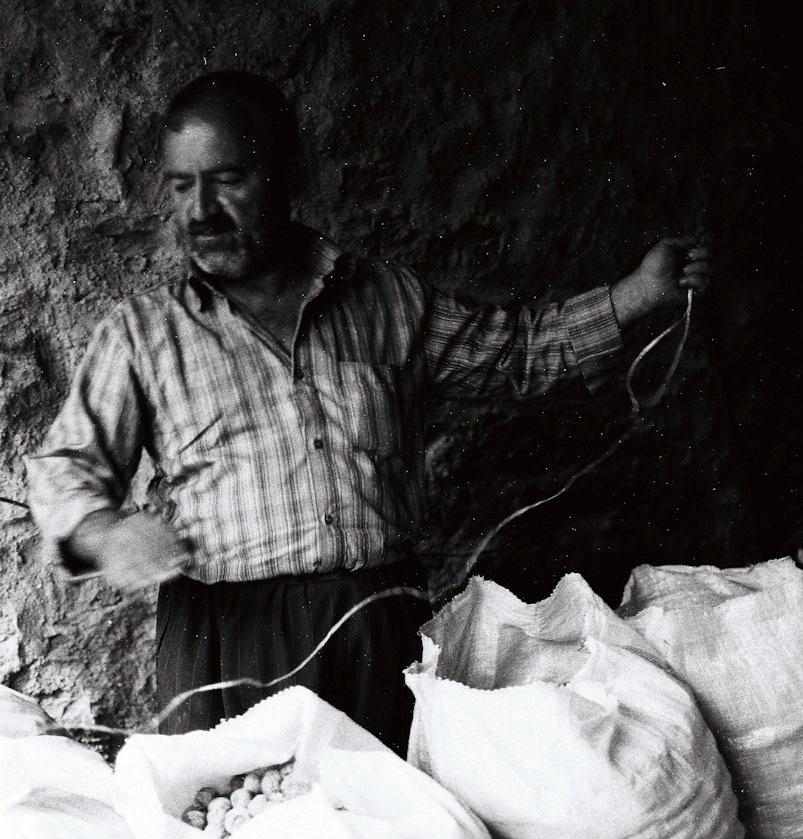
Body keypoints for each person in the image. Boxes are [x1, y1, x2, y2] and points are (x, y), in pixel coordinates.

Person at [26, 71, 713, 754]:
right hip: (228, 643)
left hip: (373, 628)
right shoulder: (143, 333)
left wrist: (635, 296)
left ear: (286, 173)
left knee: (391, 835)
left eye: (227, 178)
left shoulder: (385, 301)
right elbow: (66, 470)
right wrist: (105, 531)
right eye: (181, 185)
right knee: (246, 835)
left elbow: (519, 351)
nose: (200, 209)